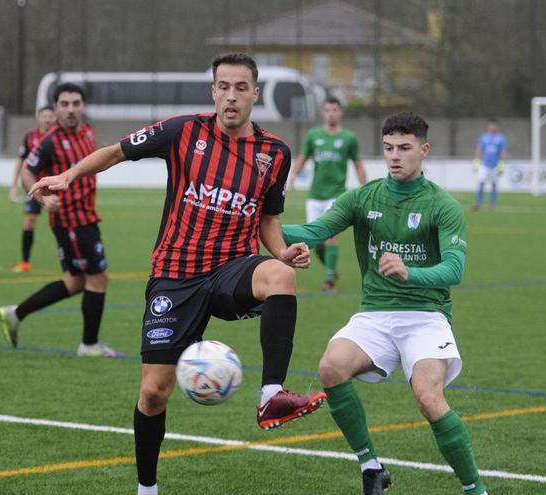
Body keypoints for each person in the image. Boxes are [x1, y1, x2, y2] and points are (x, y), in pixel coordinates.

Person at [30, 53, 327, 495]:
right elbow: (115, 152)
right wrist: (69, 176)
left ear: (255, 94)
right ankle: (146, 488)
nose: (231, 96)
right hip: (175, 276)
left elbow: (268, 220)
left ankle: (271, 396)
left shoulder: (274, 154)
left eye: (240, 88)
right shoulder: (183, 131)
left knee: (281, 277)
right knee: (154, 393)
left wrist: (284, 251)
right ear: (213, 92)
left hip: (231, 269)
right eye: (223, 86)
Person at [282, 112, 488, 495]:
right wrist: (253, 223)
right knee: (331, 367)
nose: (395, 156)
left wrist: (411, 272)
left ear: (423, 150)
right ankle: (371, 466)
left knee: (428, 398)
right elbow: (315, 231)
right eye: (389, 148)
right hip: (375, 315)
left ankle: (475, 489)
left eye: (405, 148)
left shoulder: (442, 205)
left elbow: (454, 269)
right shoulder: (364, 196)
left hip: (426, 317)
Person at [0, 83, 116, 358]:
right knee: (98, 279)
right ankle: (89, 345)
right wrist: (42, 198)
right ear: (56, 108)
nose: (71, 109)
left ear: (83, 106)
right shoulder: (50, 140)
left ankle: (16, 313)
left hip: (86, 217)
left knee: (75, 283)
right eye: (64, 104)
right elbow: (28, 170)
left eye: (76, 103)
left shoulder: (88, 132)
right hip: (72, 222)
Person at [288, 96, 367, 292]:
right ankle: (331, 269)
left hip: (337, 195)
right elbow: (303, 157)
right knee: (315, 240)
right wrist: (293, 174)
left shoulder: (349, 138)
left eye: (335, 110)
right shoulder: (314, 135)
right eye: (328, 110)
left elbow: (358, 164)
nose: (331, 113)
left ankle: (329, 280)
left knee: (332, 237)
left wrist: (366, 188)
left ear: (341, 113)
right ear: (324, 113)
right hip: (315, 195)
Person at [8, 105, 56, 273]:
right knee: (29, 222)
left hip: (56, 186)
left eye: (51, 116)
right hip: (34, 185)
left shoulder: (59, 136)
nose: (48, 119)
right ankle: (25, 263)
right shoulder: (30, 137)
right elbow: (21, 160)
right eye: (44, 116)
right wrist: (14, 184)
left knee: (64, 222)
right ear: (38, 118)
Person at [473, 119, 507, 212]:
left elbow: (502, 152)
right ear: (488, 127)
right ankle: (478, 203)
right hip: (484, 165)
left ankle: (493, 204)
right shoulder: (484, 137)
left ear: (497, 127)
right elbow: (479, 149)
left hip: (495, 166)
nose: (492, 127)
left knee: (494, 185)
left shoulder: (501, 138)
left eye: (494, 125)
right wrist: (476, 162)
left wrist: (502, 164)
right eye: (490, 125)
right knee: (481, 183)